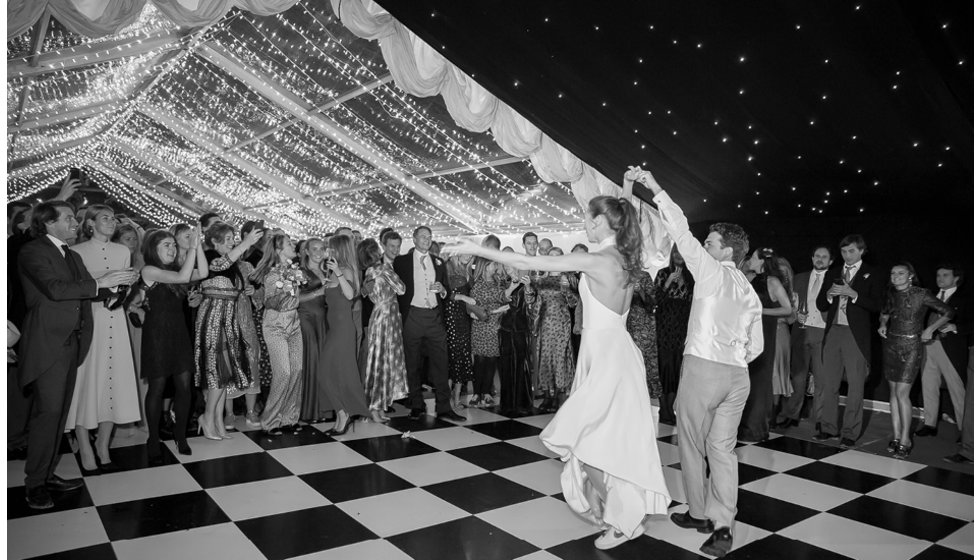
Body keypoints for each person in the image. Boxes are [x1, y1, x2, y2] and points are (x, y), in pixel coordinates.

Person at [444, 192, 671, 550]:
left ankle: (621, 515)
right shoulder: (626, 258)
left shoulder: (596, 258)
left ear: (599, 223)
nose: (584, 224)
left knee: (580, 436)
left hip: (606, 356)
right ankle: (616, 507)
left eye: (588, 218)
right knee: (604, 436)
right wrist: (625, 191)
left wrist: (480, 248)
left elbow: (520, 257)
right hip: (616, 351)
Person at [635, 168, 762, 558]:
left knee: (690, 444)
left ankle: (697, 512)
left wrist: (655, 187)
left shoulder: (709, 272)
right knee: (722, 450)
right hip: (738, 377)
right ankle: (723, 527)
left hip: (704, 371)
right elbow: (755, 346)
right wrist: (731, 360)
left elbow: (679, 229)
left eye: (711, 242)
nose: (703, 247)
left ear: (726, 251)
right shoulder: (749, 290)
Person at [17, 201, 136, 509]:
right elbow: (57, 289)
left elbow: (89, 290)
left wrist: (123, 286)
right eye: (69, 218)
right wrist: (102, 282)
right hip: (49, 343)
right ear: (48, 223)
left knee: (60, 414)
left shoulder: (69, 254)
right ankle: (34, 484)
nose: (75, 222)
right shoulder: (33, 251)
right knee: (48, 414)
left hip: (73, 342)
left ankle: (46, 473)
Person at [66, 205, 143, 473]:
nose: (111, 222)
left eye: (113, 218)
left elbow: (122, 289)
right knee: (88, 383)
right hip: (91, 322)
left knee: (114, 383)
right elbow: (75, 290)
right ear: (89, 224)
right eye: (105, 218)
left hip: (116, 318)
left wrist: (129, 284)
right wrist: (105, 281)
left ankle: (103, 444)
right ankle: (85, 446)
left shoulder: (123, 251)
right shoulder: (76, 252)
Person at [138, 229, 207, 461]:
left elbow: (204, 271)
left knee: (185, 387)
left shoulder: (177, 269)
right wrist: (193, 249)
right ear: (152, 248)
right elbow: (182, 278)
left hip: (179, 334)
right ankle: (153, 438)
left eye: (173, 245)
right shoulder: (149, 270)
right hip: (157, 336)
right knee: (157, 389)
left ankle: (180, 435)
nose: (172, 249)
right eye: (166, 245)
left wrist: (197, 247)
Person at [195, 223, 264, 440]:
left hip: (230, 317)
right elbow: (218, 266)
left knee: (225, 372)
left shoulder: (234, 264)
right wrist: (246, 243)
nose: (231, 242)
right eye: (226, 239)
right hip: (213, 316)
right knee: (216, 369)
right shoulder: (208, 256)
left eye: (232, 238)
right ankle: (207, 417)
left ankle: (216, 420)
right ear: (214, 242)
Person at [878, 262, 952, 459]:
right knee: (893, 392)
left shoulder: (921, 293)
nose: (895, 276)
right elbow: (884, 312)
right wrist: (883, 324)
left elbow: (948, 312)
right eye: (893, 273)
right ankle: (895, 436)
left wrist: (930, 329)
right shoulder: (890, 292)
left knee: (902, 393)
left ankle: (905, 439)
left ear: (910, 275)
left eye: (900, 273)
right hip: (891, 344)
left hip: (911, 346)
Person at [813, 234, 881, 448]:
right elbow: (821, 305)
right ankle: (828, 428)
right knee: (829, 382)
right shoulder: (834, 272)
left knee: (855, 385)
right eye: (843, 251)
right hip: (833, 331)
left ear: (861, 251)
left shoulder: (874, 273)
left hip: (855, 335)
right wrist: (830, 296)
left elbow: (878, 305)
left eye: (851, 251)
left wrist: (854, 294)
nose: (847, 255)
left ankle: (850, 432)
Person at [393, 226, 466, 422]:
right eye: (422, 237)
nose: (426, 240)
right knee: (413, 363)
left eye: (429, 237)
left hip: (434, 317)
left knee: (441, 363)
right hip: (413, 316)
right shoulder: (401, 262)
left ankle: (444, 407)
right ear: (414, 239)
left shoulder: (439, 262)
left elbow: (447, 292)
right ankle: (416, 404)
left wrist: (442, 290)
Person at [250, 234, 305, 435]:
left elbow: (297, 298)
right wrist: (287, 287)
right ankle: (270, 420)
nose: (293, 245)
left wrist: (292, 280)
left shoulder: (293, 270)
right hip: (275, 325)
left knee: (297, 370)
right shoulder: (273, 275)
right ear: (279, 250)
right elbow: (270, 303)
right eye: (289, 244)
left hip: (294, 323)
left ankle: (289, 418)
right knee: (283, 372)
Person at [738, 248, 794, 443]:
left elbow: (788, 309)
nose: (750, 260)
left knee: (760, 380)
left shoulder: (773, 282)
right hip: (746, 333)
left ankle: (755, 428)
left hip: (764, 333)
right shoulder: (748, 279)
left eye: (753, 257)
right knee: (745, 378)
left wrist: (762, 312)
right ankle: (741, 425)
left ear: (762, 261)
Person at [775, 246, 833, 429]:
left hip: (823, 332)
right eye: (817, 256)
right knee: (797, 377)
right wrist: (794, 313)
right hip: (801, 330)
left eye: (824, 257)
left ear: (830, 261)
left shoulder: (835, 280)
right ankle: (791, 414)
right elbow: (790, 303)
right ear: (812, 258)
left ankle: (821, 419)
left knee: (821, 379)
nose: (820, 259)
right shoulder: (799, 278)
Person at [320, 235, 370, 434]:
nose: (328, 252)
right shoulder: (335, 271)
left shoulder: (345, 270)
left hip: (343, 330)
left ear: (339, 249)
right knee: (331, 373)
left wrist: (338, 275)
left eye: (331, 249)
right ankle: (342, 413)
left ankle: (344, 414)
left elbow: (350, 295)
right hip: (334, 328)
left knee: (326, 372)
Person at [358, 239, 409, 423]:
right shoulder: (384, 269)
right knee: (382, 362)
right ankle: (374, 407)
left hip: (378, 315)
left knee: (378, 362)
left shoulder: (368, 272)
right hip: (388, 317)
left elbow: (366, 294)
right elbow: (402, 289)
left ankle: (376, 406)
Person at [917, 264, 971, 436]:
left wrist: (956, 327)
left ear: (956, 278)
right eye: (938, 275)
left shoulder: (966, 299)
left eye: (945, 275)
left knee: (957, 389)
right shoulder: (930, 296)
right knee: (928, 384)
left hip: (951, 347)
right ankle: (930, 423)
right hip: (929, 345)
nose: (940, 278)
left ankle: (966, 431)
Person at [530, 247, 578, 411]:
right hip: (545, 323)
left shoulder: (568, 278)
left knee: (560, 358)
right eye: (551, 256)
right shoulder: (540, 280)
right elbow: (535, 303)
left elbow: (574, 303)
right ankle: (547, 396)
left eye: (557, 256)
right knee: (545, 359)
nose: (554, 258)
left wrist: (566, 290)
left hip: (561, 324)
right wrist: (534, 324)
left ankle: (559, 395)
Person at [652, 244, 694, 425]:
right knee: (665, 369)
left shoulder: (691, 276)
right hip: (664, 330)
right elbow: (654, 301)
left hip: (682, 331)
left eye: (682, 252)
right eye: (676, 252)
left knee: (677, 370)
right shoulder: (662, 273)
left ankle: (672, 409)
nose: (678, 255)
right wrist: (669, 281)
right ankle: (664, 410)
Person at [470, 235, 508, 408]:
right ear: (485, 266)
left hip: (495, 327)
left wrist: (513, 286)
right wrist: (496, 310)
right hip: (480, 325)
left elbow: (504, 298)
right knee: (479, 361)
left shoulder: (499, 282)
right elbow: (474, 308)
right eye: (493, 264)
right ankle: (476, 393)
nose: (495, 266)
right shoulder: (477, 285)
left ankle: (486, 392)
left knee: (491, 361)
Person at [297, 238, 330, 423]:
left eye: (321, 248)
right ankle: (308, 410)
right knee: (312, 359)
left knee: (323, 361)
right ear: (307, 251)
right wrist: (319, 292)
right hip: (305, 317)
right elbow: (294, 299)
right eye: (314, 249)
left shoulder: (327, 270)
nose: (318, 252)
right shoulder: (300, 272)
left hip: (323, 319)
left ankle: (322, 409)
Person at [499, 263, 534, 415]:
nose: (511, 270)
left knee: (522, 366)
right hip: (505, 329)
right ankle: (507, 403)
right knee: (506, 367)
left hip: (521, 328)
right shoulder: (502, 283)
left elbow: (531, 302)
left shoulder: (526, 283)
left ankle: (522, 403)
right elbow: (498, 300)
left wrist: (527, 287)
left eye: (512, 267)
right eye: (507, 268)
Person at [444, 251, 476, 411]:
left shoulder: (467, 270)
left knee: (462, 357)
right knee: (454, 357)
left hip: (463, 317)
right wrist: (463, 298)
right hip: (451, 316)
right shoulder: (447, 267)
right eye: (466, 253)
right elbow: (444, 293)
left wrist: (471, 311)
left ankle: (455, 398)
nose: (468, 257)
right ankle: (448, 399)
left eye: (470, 255)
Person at [627, 270, 659, 405]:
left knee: (644, 360)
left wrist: (640, 291)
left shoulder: (643, 276)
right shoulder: (617, 274)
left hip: (643, 326)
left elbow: (653, 304)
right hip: (622, 324)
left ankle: (644, 399)